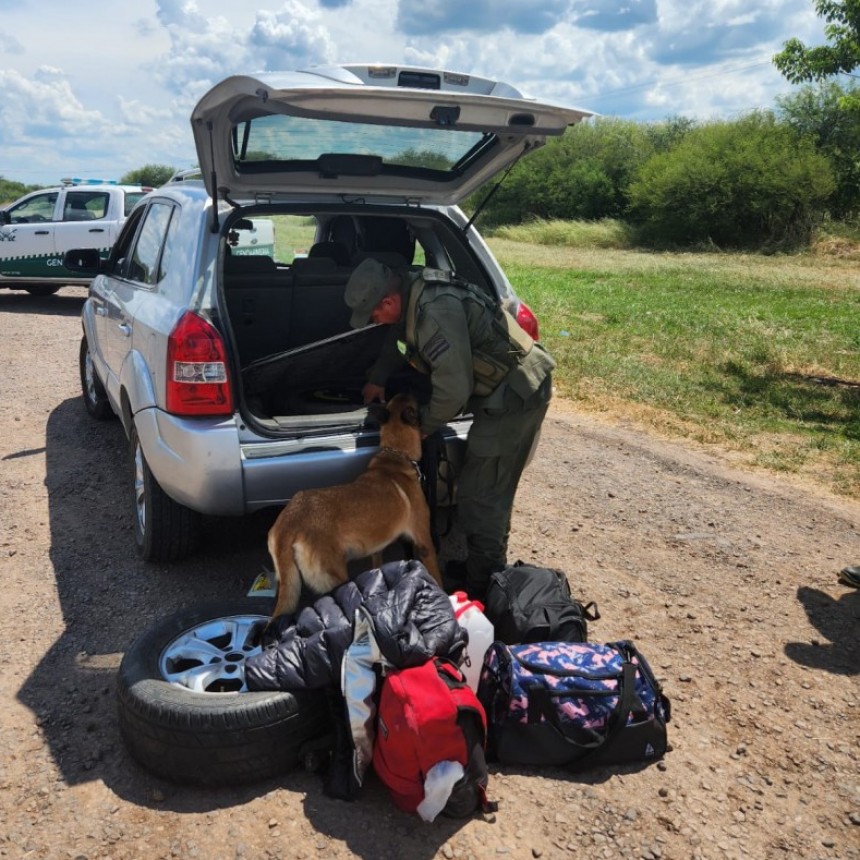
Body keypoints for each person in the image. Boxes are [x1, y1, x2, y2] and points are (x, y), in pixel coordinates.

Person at [344, 257, 555, 599]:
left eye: (374, 315)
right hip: (494, 390)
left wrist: (421, 427)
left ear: (388, 301)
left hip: (514, 396)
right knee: (482, 487)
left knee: (481, 495)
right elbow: (394, 335)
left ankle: (484, 588)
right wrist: (378, 379)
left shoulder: (434, 311)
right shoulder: (409, 289)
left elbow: (454, 390)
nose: (375, 322)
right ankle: (482, 569)